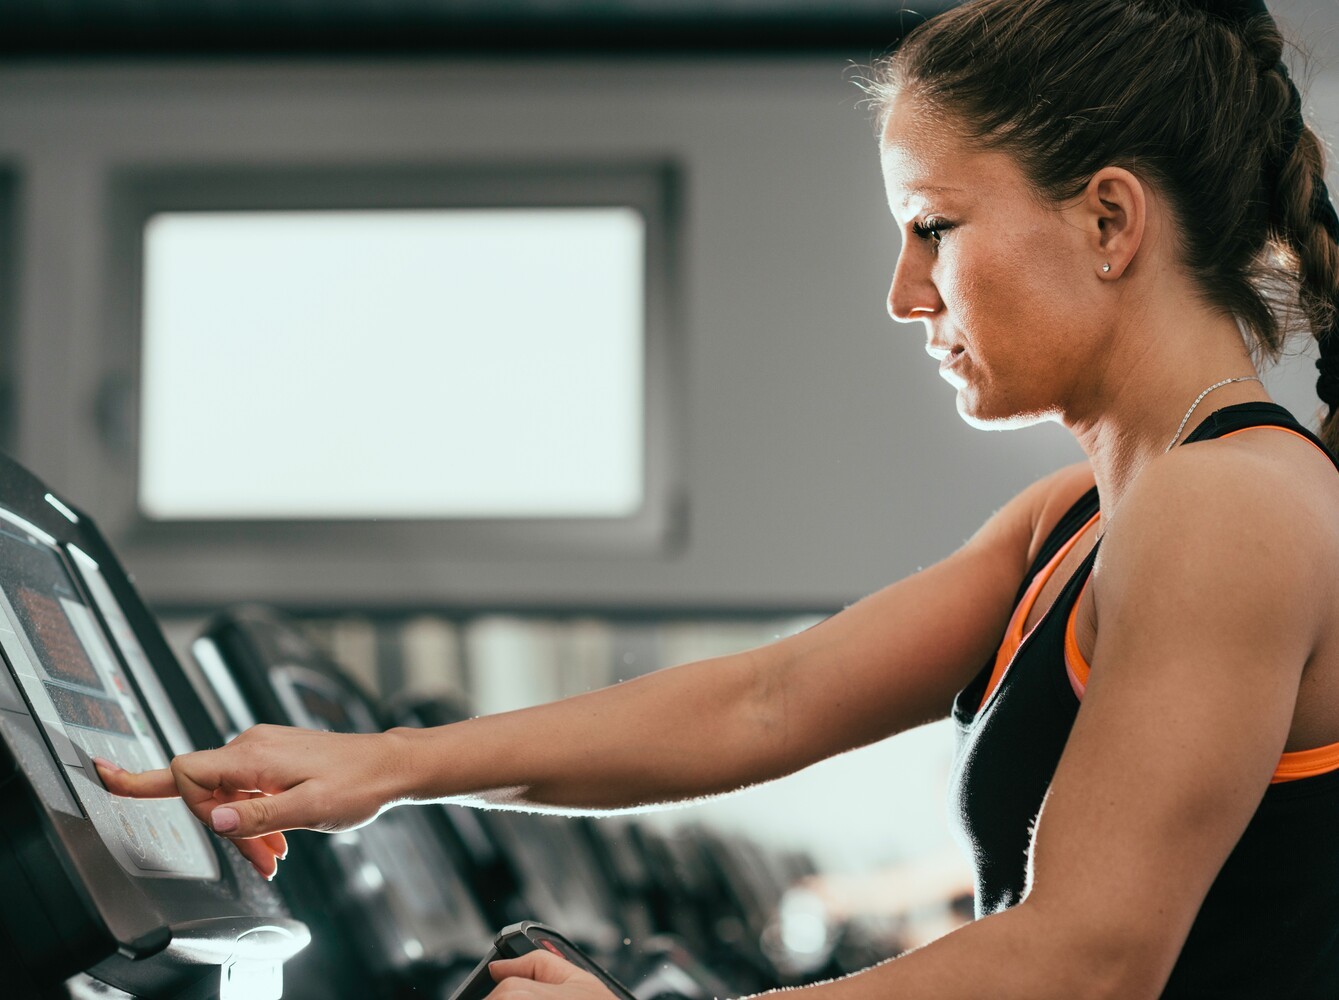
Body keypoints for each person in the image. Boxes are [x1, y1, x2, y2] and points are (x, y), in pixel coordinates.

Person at [97, 0, 1339, 995]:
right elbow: (766, 700)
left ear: (1109, 219)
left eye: (934, 227)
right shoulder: (1078, 520)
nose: (904, 293)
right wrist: (383, 765)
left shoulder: (1228, 508)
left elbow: (1085, 962)